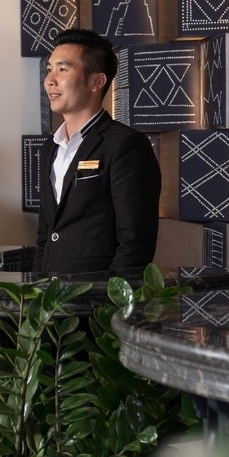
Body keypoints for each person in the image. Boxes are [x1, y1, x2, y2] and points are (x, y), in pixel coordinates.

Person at [32, 28, 161, 274]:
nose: (50, 80)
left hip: (97, 293)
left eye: (62, 69)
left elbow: (135, 242)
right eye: (49, 69)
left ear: (96, 82)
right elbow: (45, 235)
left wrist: (110, 295)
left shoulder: (126, 145)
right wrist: (37, 290)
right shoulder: (51, 146)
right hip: (51, 292)